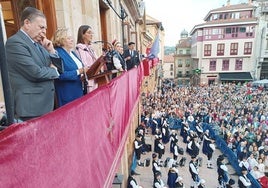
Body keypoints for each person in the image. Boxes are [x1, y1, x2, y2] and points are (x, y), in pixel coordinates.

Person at [5, 7, 60, 121]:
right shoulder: (15, 43)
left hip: (46, 105)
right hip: (31, 109)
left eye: (45, 28)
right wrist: (53, 70)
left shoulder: (40, 45)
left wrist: (52, 51)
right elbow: (35, 73)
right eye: (41, 27)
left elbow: (60, 69)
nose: (44, 31)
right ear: (27, 23)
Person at [52, 28, 88, 107]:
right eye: (68, 38)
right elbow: (60, 75)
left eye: (72, 38)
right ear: (60, 40)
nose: (72, 40)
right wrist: (79, 71)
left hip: (78, 91)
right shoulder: (57, 53)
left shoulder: (72, 53)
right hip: (67, 95)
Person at [76, 25, 98, 93]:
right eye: (89, 33)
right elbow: (84, 65)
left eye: (92, 33)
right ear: (82, 35)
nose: (91, 35)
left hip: (96, 78)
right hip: (89, 81)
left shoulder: (90, 48)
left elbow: (97, 61)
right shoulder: (79, 48)